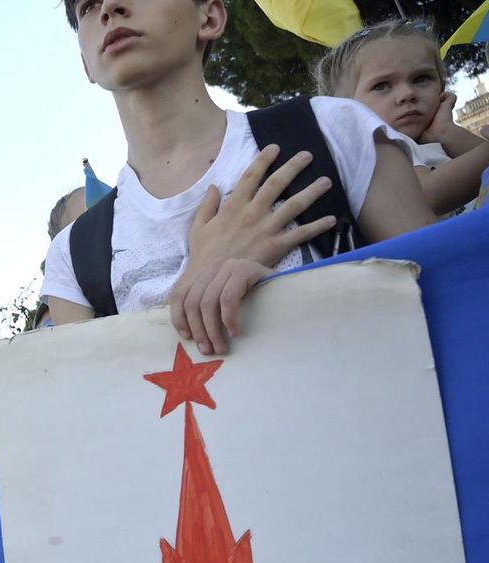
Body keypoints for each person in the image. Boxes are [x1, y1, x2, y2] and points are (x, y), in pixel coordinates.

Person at [43, 0, 435, 356]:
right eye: (88, 6)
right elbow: (102, 409)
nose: (109, 7)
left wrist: (285, 301)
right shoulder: (72, 257)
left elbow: (442, 296)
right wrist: (198, 274)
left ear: (210, 17)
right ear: (85, 66)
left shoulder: (334, 130)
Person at [316, 19, 489, 216]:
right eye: (382, 85)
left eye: (421, 78)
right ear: (344, 107)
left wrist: (445, 131)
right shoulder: (377, 148)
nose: (407, 93)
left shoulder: (434, 140)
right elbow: (425, 197)